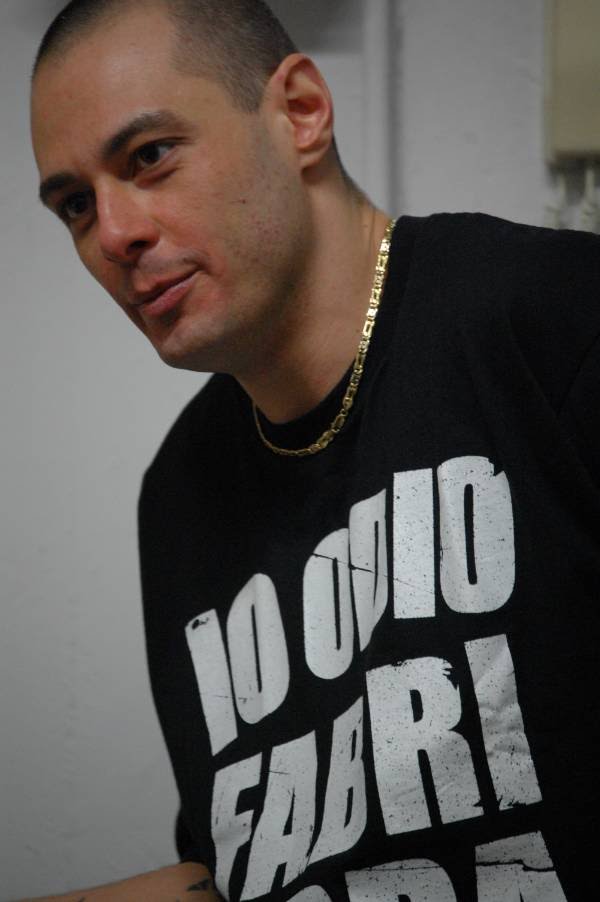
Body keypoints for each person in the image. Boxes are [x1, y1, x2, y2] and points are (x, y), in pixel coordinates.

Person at [27, 0, 600, 900]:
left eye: (150, 156)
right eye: (73, 203)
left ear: (300, 112)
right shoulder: (180, 494)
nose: (113, 233)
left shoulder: (555, 318)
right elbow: (250, 867)